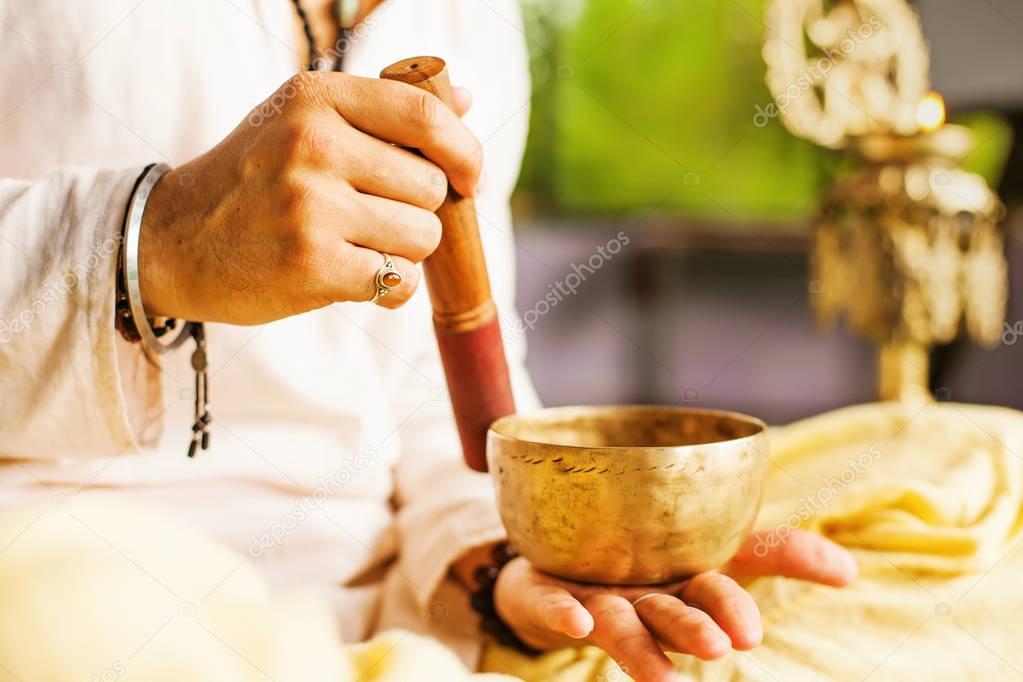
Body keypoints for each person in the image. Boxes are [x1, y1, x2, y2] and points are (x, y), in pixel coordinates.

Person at [0, 1, 855, 680]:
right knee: (70, 613)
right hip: (78, 578)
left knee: (976, 477)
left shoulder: (470, 14)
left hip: (403, 613)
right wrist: (152, 242)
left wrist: (505, 558)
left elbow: (426, 388)